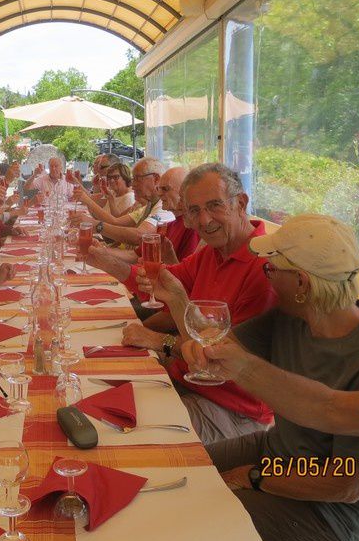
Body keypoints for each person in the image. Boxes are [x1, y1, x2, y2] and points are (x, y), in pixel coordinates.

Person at [178, 214, 359, 541]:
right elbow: (223, 352)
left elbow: (346, 485)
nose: (267, 278)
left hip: (327, 514)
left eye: (271, 269)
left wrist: (254, 477)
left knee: (195, 520)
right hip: (278, 451)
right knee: (178, 469)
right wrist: (200, 351)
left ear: (302, 282)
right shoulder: (291, 317)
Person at [88, 162, 278, 443]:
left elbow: (215, 362)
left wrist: (161, 335)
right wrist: (102, 260)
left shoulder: (265, 268)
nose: (204, 221)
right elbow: (160, 281)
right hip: (184, 381)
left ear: (241, 202)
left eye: (214, 205)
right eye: (194, 211)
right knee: (97, 395)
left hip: (232, 410)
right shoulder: (213, 252)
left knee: (120, 436)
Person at [93, 167, 199, 266]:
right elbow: (135, 255)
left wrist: (97, 226)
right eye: (159, 189)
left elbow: (185, 278)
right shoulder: (169, 225)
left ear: (184, 192)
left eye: (165, 189)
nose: (160, 193)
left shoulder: (192, 229)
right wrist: (100, 250)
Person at [72, 157, 173, 247]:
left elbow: (139, 236)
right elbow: (118, 223)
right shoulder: (148, 205)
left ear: (155, 179)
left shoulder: (164, 207)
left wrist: (96, 226)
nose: (133, 184)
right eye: (109, 177)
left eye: (137, 179)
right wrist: (103, 249)